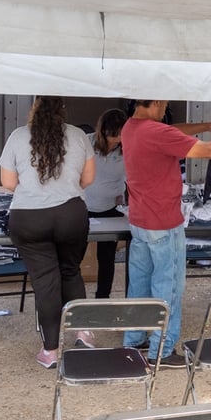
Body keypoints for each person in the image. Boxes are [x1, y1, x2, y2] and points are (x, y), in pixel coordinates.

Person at [120, 100, 211, 368]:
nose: (165, 109)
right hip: (164, 222)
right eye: (164, 104)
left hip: (140, 221)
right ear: (156, 101)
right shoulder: (156, 133)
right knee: (168, 287)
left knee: (140, 285)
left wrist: (205, 125)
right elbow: (210, 151)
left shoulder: (132, 127)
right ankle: (162, 351)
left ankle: (134, 339)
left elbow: (170, 130)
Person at [0, 96, 96, 369]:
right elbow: (88, 179)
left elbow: (8, 182)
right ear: (62, 111)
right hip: (71, 214)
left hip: (29, 217)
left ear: (34, 110)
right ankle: (84, 334)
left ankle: (50, 350)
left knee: (45, 281)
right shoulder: (78, 135)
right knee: (71, 271)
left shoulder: (18, 136)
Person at [83, 108, 128, 299]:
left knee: (107, 257)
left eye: (120, 135)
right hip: (83, 206)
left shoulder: (129, 146)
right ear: (102, 132)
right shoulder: (86, 141)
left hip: (111, 207)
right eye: (112, 135)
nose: (116, 140)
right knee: (74, 255)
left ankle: (103, 297)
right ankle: (74, 299)